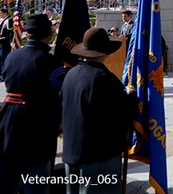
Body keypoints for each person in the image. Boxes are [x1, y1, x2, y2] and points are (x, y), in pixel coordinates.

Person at [61, 27, 135, 192]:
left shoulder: (70, 74)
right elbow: (120, 113)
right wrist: (131, 98)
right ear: (104, 52)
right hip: (98, 155)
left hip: (72, 151)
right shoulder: (104, 79)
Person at [0, 14, 66, 193]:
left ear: (27, 34)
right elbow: (58, 95)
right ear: (49, 35)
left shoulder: (11, 57)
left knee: (7, 178)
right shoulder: (50, 62)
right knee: (35, 181)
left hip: (8, 120)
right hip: (36, 124)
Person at [0, 7, 12, 81]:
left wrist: (11, 42)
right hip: (1, 43)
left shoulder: (9, 20)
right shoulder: (1, 20)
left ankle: (3, 75)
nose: (0, 14)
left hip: (5, 43)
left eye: (1, 13)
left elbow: (10, 33)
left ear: (5, 13)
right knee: (0, 59)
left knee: (4, 59)